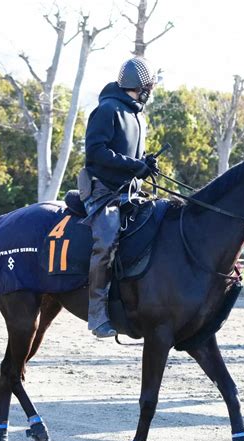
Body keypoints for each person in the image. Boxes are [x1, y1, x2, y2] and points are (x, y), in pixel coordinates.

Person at [79, 57, 159, 338]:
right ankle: (97, 314)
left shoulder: (139, 116)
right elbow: (96, 153)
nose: (152, 90)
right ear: (142, 87)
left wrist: (145, 164)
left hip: (129, 192)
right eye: (150, 86)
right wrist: (133, 165)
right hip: (102, 192)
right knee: (107, 241)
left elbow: (132, 158)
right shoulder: (107, 110)